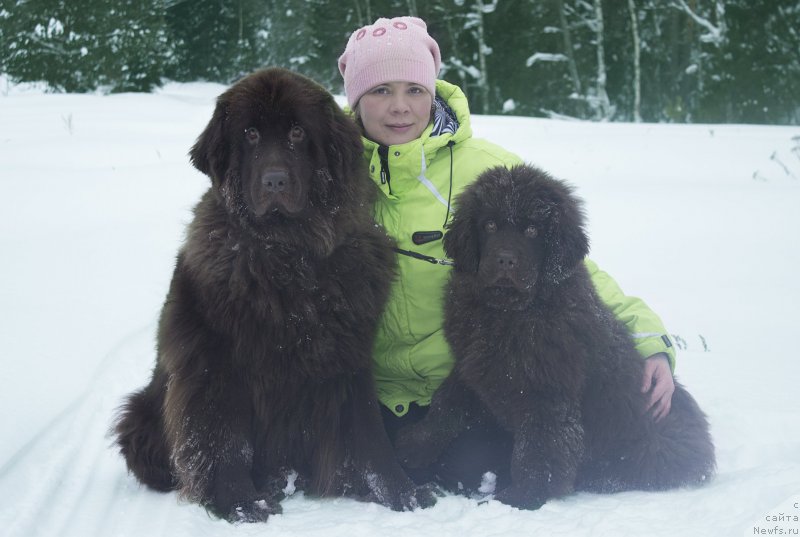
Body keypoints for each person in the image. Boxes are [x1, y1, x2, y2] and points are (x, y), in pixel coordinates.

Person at [337, 16, 676, 493]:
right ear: (355, 98)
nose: (399, 108)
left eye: (415, 89)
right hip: (367, 390)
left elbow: (568, 271)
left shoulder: (486, 171)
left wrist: (647, 338)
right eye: (380, 91)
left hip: (460, 388)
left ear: (432, 93)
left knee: (475, 476)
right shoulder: (331, 175)